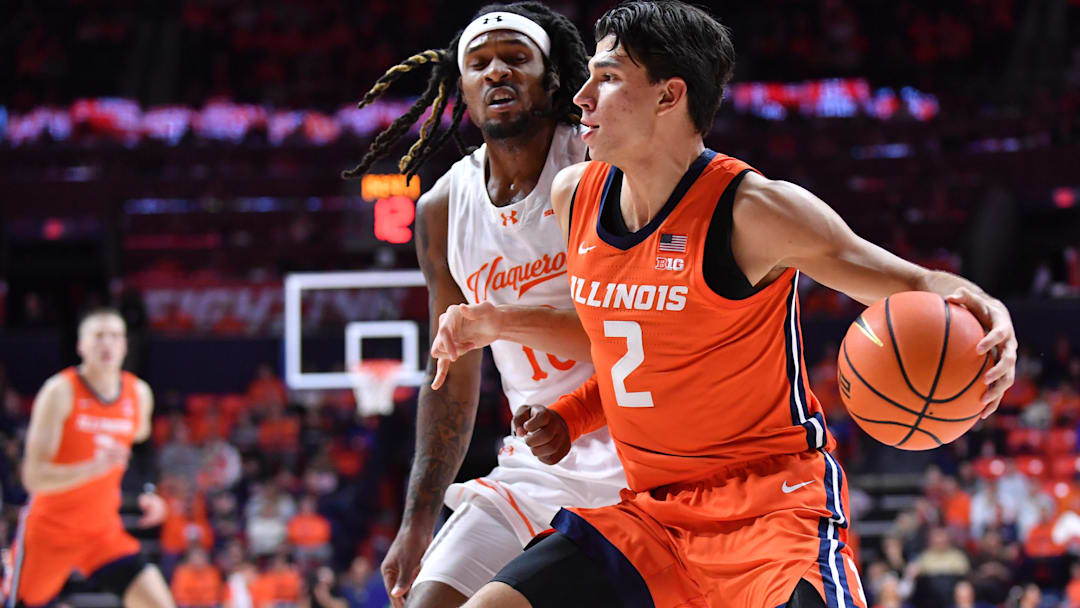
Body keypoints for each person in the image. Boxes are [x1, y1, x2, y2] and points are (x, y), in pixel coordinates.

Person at [431, 2, 1018, 607]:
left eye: (606, 77)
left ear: (669, 96)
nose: (581, 96)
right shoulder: (575, 195)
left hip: (772, 508)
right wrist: (571, 413)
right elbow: (630, 336)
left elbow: (913, 283)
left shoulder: (753, 211)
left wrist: (987, 310)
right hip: (653, 514)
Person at [342, 3, 625, 607]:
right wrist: (419, 519)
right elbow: (450, 373)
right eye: (480, 64)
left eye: (517, 59)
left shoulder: (601, 166)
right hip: (536, 467)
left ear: (553, 80)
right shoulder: (442, 209)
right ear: (461, 90)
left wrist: (499, 320)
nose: (497, 71)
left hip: (643, 452)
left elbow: (640, 325)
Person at [7, 308, 175, 607]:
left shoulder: (138, 394)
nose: (107, 344)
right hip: (49, 531)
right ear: (81, 345)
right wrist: (92, 468)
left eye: (115, 336)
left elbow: (137, 450)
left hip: (101, 531)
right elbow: (33, 478)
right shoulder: (60, 392)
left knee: (160, 603)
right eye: (98, 336)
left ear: (125, 345)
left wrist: (147, 493)